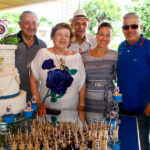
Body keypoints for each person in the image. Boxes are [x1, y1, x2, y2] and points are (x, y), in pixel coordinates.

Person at [30, 23, 86, 115]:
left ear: (69, 40)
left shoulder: (77, 57)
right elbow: (33, 79)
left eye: (66, 35)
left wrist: (82, 105)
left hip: (71, 111)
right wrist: (38, 103)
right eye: (59, 34)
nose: (63, 38)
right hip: (47, 111)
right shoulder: (43, 53)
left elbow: (82, 83)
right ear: (53, 37)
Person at [5, 11, 47, 101]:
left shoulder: (42, 46)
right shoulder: (9, 41)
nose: (31, 27)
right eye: (27, 23)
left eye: (34, 23)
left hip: (34, 96)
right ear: (20, 24)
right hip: (11, 95)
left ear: (38, 25)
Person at [117, 12, 150, 115]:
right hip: (120, 107)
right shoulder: (121, 47)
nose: (130, 30)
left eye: (134, 26)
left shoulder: (148, 46)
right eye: (126, 27)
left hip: (142, 110)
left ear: (140, 27)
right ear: (122, 29)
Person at [82, 22, 118, 112]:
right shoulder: (85, 56)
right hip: (88, 104)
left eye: (108, 35)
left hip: (108, 105)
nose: (104, 38)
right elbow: (81, 82)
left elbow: (120, 80)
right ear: (96, 36)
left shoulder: (115, 56)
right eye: (101, 34)